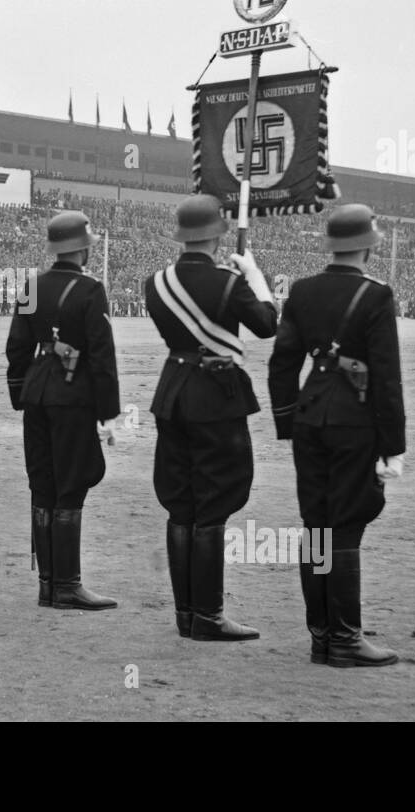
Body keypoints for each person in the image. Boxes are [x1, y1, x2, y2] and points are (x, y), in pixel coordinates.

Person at [269, 203, 406, 668]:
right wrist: (393, 447)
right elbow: (387, 376)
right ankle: (346, 639)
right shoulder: (376, 295)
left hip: (309, 418)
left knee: (318, 526)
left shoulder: (303, 292)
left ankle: (322, 635)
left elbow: (282, 363)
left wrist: (287, 421)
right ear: (368, 246)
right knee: (344, 525)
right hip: (353, 421)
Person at [144, 195, 278, 640]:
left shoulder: (156, 283)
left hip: (174, 393)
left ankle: (186, 615)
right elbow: (266, 324)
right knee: (214, 506)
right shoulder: (228, 282)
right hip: (217, 397)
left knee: (180, 505)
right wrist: (254, 278)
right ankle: (208, 616)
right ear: (218, 237)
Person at [4, 211, 119, 611]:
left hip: (37, 392)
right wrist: (108, 409)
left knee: (42, 483)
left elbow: (17, 346)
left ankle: (48, 583)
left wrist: (20, 391)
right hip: (73, 397)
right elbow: (102, 353)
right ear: (83, 250)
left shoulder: (31, 287)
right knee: (71, 484)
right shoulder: (91, 290)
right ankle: (68, 585)